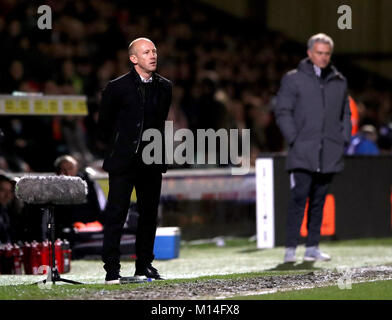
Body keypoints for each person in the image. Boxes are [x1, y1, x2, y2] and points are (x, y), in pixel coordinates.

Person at [98, 38, 172, 284]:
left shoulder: (165, 87)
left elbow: (160, 124)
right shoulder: (116, 87)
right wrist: (120, 146)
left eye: (154, 50)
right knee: (116, 215)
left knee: (149, 215)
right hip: (122, 161)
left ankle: (144, 266)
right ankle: (111, 269)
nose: (152, 55)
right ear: (133, 58)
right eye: (146, 52)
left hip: (151, 161)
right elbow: (103, 125)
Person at [274, 33, 351, 263]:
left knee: (319, 200)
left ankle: (312, 247)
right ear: (309, 53)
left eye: (327, 53)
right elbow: (283, 111)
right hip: (303, 151)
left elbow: (345, 113)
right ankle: (290, 249)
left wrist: (343, 137)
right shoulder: (293, 79)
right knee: (299, 198)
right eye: (319, 52)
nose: (323, 57)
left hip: (329, 151)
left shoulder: (339, 80)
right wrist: (295, 138)